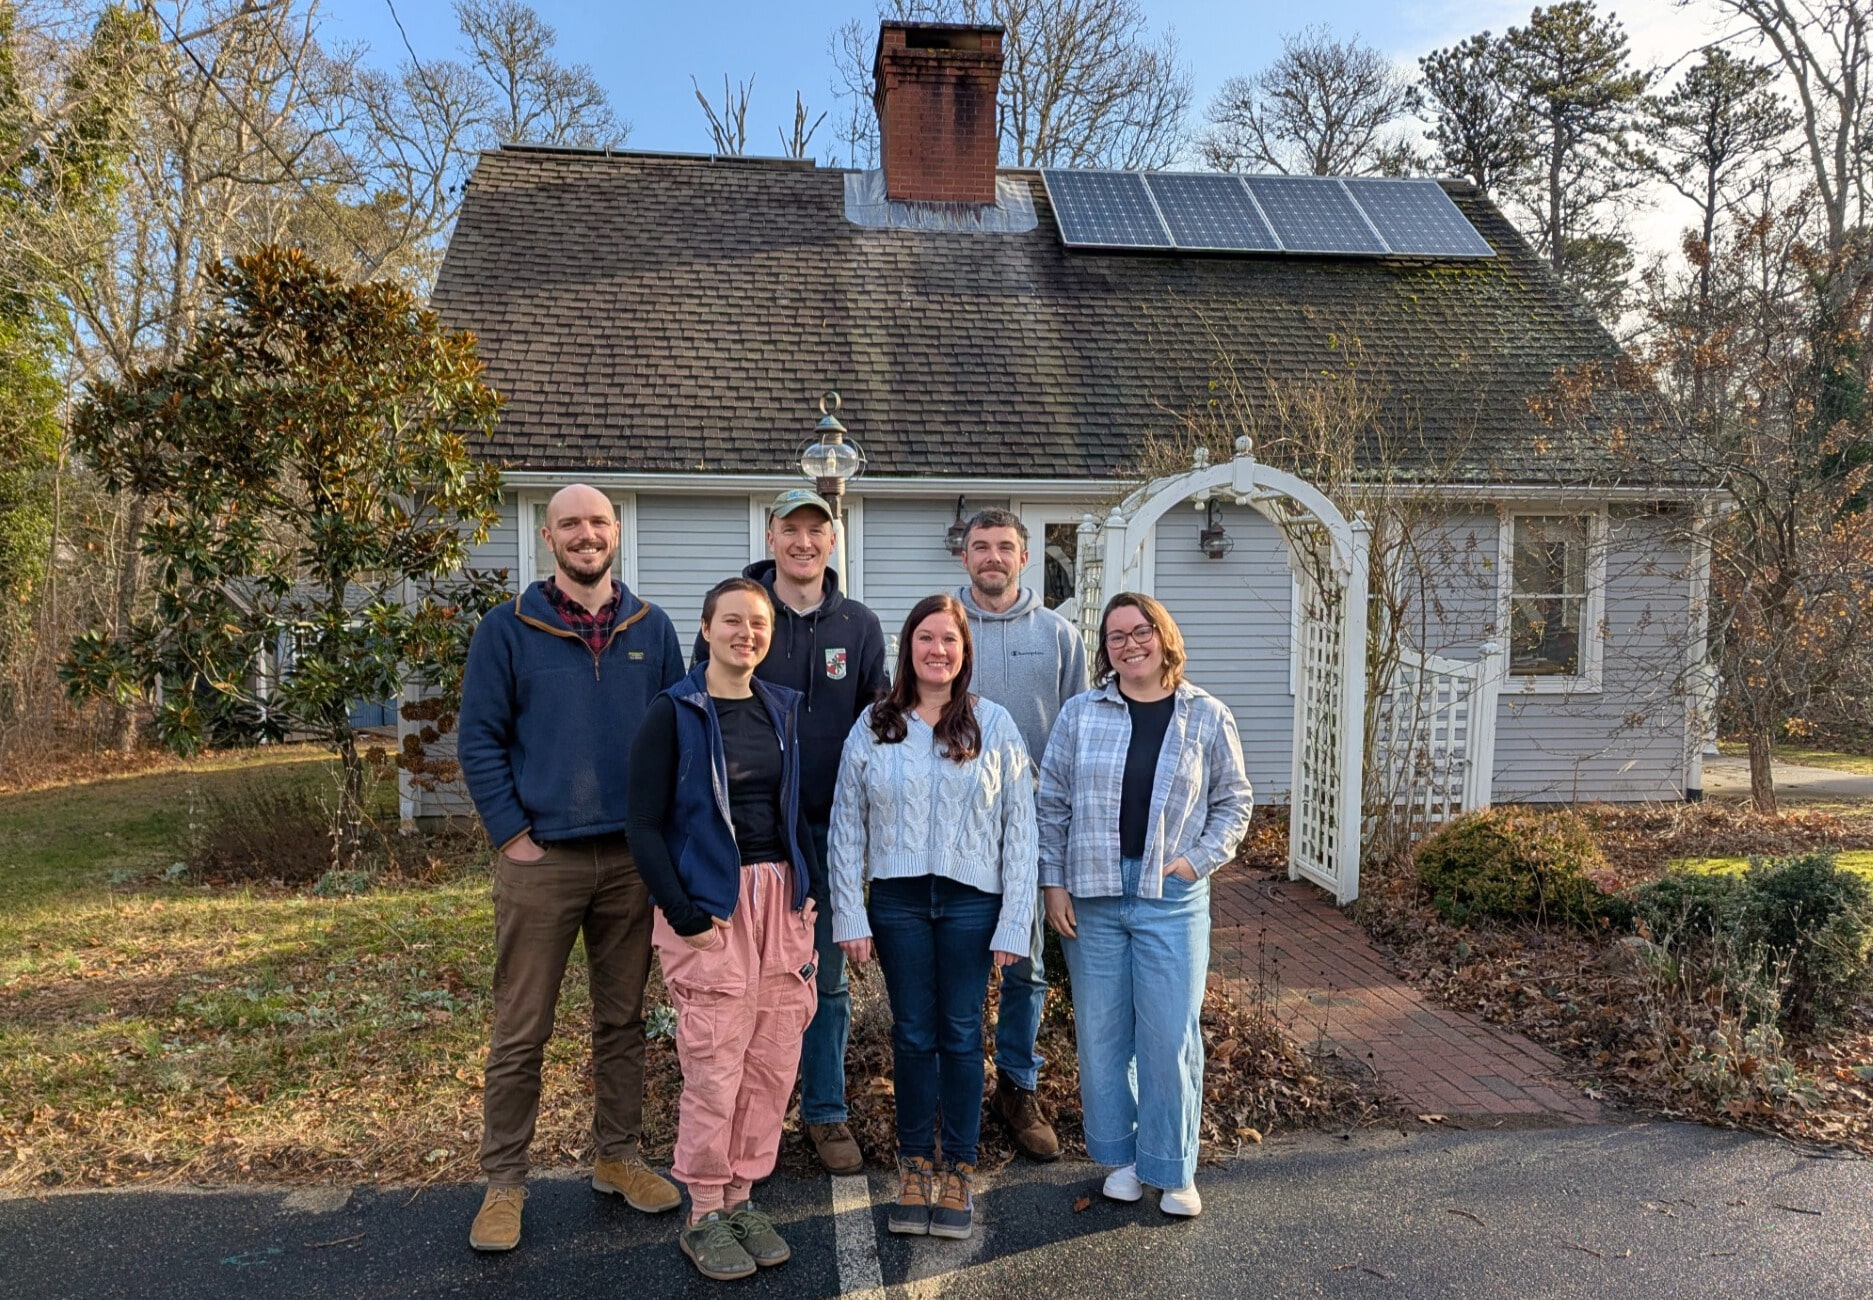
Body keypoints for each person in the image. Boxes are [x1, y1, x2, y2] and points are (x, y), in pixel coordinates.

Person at [456, 484, 686, 1253]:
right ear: (548, 538)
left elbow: (675, 740)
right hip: (542, 861)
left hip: (629, 860)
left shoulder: (652, 630)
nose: (586, 536)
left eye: (597, 522)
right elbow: (480, 739)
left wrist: (662, 844)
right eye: (570, 525)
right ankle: (504, 1182)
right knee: (522, 1027)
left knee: (621, 1021)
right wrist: (511, 834)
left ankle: (617, 1157)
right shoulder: (506, 630)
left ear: (615, 532)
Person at [1037, 593, 1253, 1219]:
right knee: (1104, 1038)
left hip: (1171, 896)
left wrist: (1194, 862)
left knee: (1169, 1034)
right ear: (1104, 649)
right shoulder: (1081, 713)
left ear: (1163, 636)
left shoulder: (1206, 715)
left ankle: (1172, 1167)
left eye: (1140, 632)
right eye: (1115, 637)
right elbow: (1052, 802)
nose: (1129, 645)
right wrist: (1053, 883)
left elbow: (1234, 801)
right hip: (1093, 894)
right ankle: (1125, 1160)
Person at [629, 577, 821, 1281]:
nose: (747, 633)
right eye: (733, 622)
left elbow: (793, 809)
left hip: (780, 904)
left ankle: (743, 1195)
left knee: (770, 1064)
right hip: (712, 906)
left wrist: (808, 892)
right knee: (714, 1068)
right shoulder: (675, 712)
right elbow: (643, 826)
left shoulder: (780, 709)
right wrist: (683, 915)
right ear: (706, 630)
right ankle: (704, 1210)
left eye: (759, 624)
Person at [830, 593, 1038, 1241]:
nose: (937, 650)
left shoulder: (993, 723)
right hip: (896, 904)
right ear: (908, 648)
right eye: (925, 638)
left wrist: (1014, 921)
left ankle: (959, 1169)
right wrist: (848, 915)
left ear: (964, 651)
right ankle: (915, 1164)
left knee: (959, 1033)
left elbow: (1020, 830)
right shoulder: (874, 724)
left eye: (949, 639)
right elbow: (845, 826)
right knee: (912, 1034)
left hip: (972, 904)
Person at [693, 488, 887, 1177]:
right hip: (749, 836)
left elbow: (877, 730)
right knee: (741, 983)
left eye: (817, 531)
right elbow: (701, 716)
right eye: (791, 530)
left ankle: (825, 1111)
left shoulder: (859, 627)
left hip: (831, 831)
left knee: (822, 980)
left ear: (832, 542)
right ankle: (749, 1114)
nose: (804, 542)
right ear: (771, 537)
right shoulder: (740, 614)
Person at [953, 507, 1087, 1162]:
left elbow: (1076, 733)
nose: (992, 558)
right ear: (963, 556)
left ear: (1024, 557)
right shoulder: (940, 629)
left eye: (1004, 547)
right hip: (956, 830)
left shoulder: (1058, 636)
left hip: (1032, 825)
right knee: (961, 964)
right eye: (980, 547)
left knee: (1026, 968)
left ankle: (1016, 1085)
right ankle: (956, 1088)